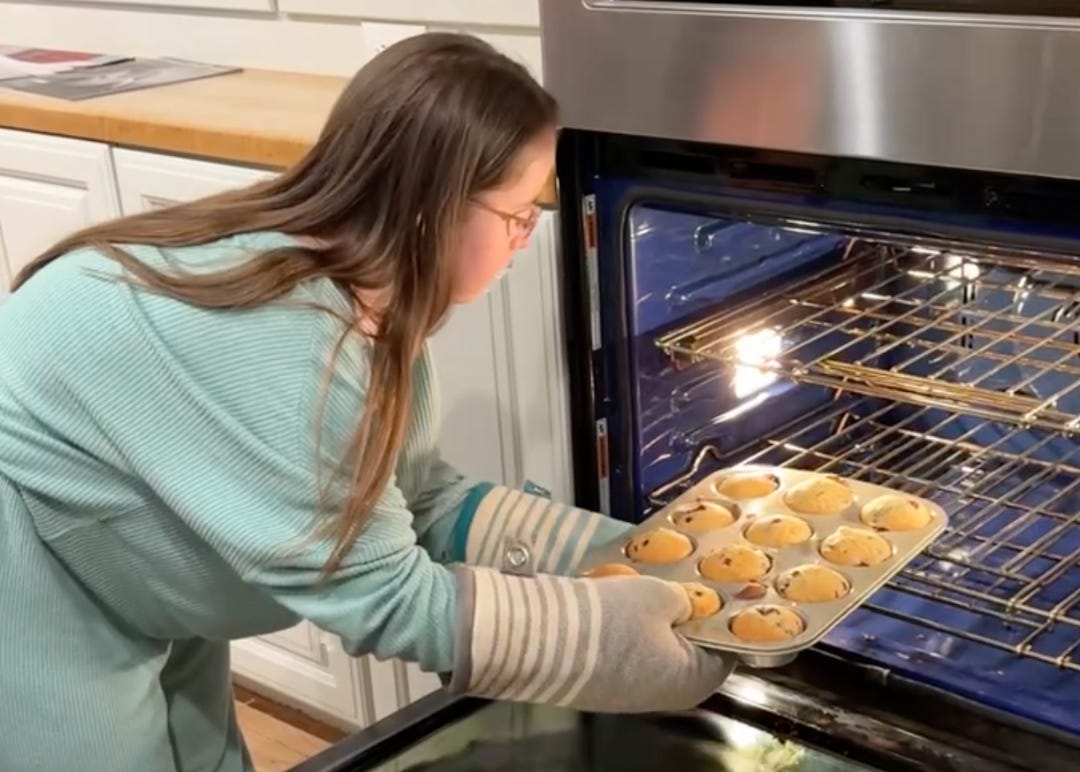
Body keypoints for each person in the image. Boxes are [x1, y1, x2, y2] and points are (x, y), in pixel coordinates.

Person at [0, 33, 733, 772]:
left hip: (137, 555)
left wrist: (614, 552)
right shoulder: (292, 348)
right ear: (434, 206)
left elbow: (413, 498)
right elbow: (383, 596)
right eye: (517, 214)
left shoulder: (362, 294)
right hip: (36, 564)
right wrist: (605, 643)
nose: (522, 239)